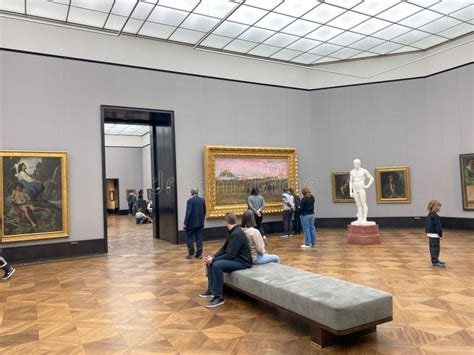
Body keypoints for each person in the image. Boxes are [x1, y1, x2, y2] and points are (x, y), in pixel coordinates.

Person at [200, 213, 252, 308]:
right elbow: (223, 249)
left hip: (242, 262)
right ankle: (211, 290)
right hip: (236, 259)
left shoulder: (237, 234)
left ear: (226, 222)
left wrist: (214, 260)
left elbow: (230, 255)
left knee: (217, 265)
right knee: (210, 262)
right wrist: (212, 257)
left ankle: (218, 297)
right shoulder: (232, 231)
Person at [349, 159, 374, 225]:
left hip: (361, 188)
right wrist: (350, 191)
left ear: (360, 164)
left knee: (363, 203)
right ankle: (360, 218)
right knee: (358, 204)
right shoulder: (352, 172)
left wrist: (367, 186)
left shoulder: (364, 171)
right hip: (355, 189)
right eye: (354, 164)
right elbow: (351, 182)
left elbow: (371, 178)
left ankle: (364, 218)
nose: (355, 165)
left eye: (357, 164)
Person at [183, 189, 206, 259]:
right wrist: (202, 219)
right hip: (200, 223)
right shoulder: (202, 200)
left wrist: (185, 223)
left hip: (191, 224)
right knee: (199, 238)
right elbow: (204, 211)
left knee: (188, 237)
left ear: (191, 193)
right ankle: (199, 254)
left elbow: (188, 213)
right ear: (197, 193)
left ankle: (191, 253)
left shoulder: (190, 201)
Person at [425, 200, 446, 268]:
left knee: (433, 247)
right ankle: (435, 261)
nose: (440, 208)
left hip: (431, 234)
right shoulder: (435, 215)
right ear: (435, 207)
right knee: (435, 248)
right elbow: (438, 226)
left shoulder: (430, 214)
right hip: (434, 234)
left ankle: (436, 260)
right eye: (439, 207)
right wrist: (440, 234)